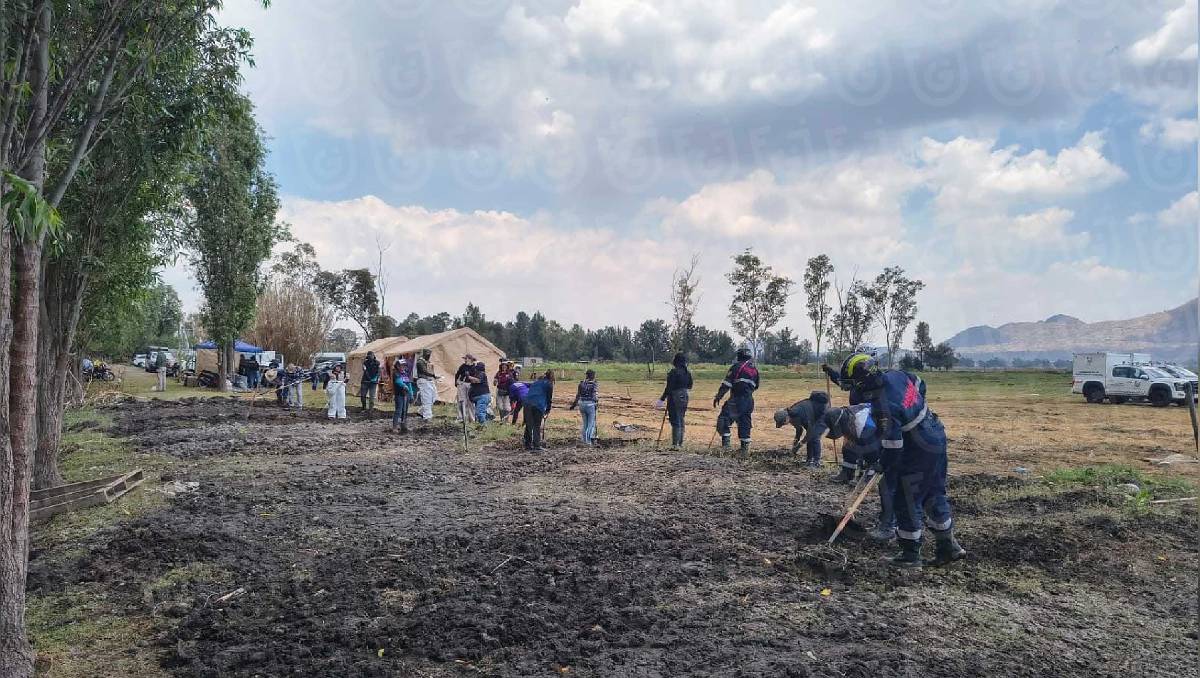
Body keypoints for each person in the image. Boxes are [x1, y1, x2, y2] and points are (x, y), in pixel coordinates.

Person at [825, 352, 965, 568]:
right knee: (933, 492)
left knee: (905, 496)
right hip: (935, 434)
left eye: (854, 384)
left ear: (863, 381)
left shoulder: (884, 406)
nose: (853, 390)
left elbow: (894, 446)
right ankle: (949, 546)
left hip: (918, 447)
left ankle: (910, 555)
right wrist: (913, 408)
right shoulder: (896, 375)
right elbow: (918, 383)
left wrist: (883, 464)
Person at [821, 402, 895, 542]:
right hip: (884, 440)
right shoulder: (852, 414)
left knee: (887, 486)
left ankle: (889, 525)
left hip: (899, 444)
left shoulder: (864, 428)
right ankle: (888, 518)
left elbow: (876, 453)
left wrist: (876, 464)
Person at [713, 347, 759, 458]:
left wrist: (718, 396)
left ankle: (726, 447)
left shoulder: (736, 367)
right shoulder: (754, 370)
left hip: (737, 399)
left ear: (739, 356)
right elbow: (756, 386)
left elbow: (727, 384)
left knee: (723, 420)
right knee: (744, 423)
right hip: (749, 400)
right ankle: (744, 450)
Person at [773, 391, 830, 467]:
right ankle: (809, 460)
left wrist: (799, 445)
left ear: (786, 418)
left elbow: (810, 433)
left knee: (814, 437)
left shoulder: (800, 414)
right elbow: (799, 430)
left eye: (782, 423)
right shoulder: (792, 414)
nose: (783, 425)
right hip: (813, 416)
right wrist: (795, 443)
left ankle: (816, 462)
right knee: (810, 438)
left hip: (823, 415)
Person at [658, 353, 693, 449]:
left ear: (676, 361)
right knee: (681, 418)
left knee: (675, 420)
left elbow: (669, 387)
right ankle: (680, 444)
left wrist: (662, 399)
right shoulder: (687, 372)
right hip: (685, 396)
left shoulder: (674, 372)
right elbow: (690, 386)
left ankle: (675, 445)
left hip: (675, 396)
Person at [522, 371, 555, 451]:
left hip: (527, 403)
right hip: (538, 405)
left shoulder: (535, 382)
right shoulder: (549, 385)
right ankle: (536, 446)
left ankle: (527, 445)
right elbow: (549, 399)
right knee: (536, 425)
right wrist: (548, 410)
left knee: (529, 425)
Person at [570, 369, 599, 445]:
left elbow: (578, 395)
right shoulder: (594, 384)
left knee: (585, 424)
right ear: (592, 376)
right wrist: (596, 402)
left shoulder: (581, 383)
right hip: (590, 404)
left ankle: (584, 440)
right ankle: (589, 442)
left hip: (581, 404)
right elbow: (595, 395)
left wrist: (573, 405)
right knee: (591, 424)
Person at [391, 356, 414, 433]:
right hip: (399, 394)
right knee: (399, 410)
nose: (403, 367)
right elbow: (398, 381)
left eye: (404, 365)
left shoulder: (406, 374)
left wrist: (411, 394)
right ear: (397, 366)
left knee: (405, 410)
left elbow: (409, 384)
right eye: (401, 365)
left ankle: (403, 425)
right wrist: (403, 386)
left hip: (406, 395)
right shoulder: (396, 373)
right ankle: (395, 427)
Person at [415, 349, 438, 421]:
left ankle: (421, 412)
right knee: (427, 398)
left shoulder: (427, 362)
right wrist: (433, 375)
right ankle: (427, 416)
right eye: (428, 354)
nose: (429, 356)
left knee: (433, 397)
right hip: (423, 381)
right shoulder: (420, 362)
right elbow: (424, 371)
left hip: (429, 380)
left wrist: (434, 376)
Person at [455, 354, 476, 422]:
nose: (465, 360)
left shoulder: (475, 367)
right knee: (462, 401)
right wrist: (456, 382)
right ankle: (461, 418)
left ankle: (472, 418)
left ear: (470, 359)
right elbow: (457, 374)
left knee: (470, 402)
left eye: (466, 359)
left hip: (471, 385)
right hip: (462, 383)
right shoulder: (463, 366)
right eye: (465, 359)